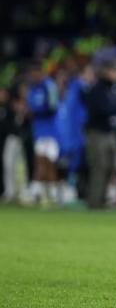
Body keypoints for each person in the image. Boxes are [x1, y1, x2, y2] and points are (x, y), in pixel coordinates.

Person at [82, 60, 116, 209]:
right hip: (97, 133)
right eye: (115, 71)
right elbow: (103, 109)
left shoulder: (114, 88)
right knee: (99, 167)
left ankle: (102, 199)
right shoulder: (98, 89)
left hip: (109, 132)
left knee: (112, 166)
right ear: (107, 72)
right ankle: (95, 202)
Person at [26, 62, 60, 206]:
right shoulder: (33, 88)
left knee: (49, 164)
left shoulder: (49, 86)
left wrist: (36, 111)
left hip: (51, 132)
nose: (34, 76)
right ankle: (42, 194)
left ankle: (48, 194)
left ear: (41, 72)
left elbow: (52, 107)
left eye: (35, 73)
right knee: (40, 162)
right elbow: (29, 107)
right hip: (39, 131)